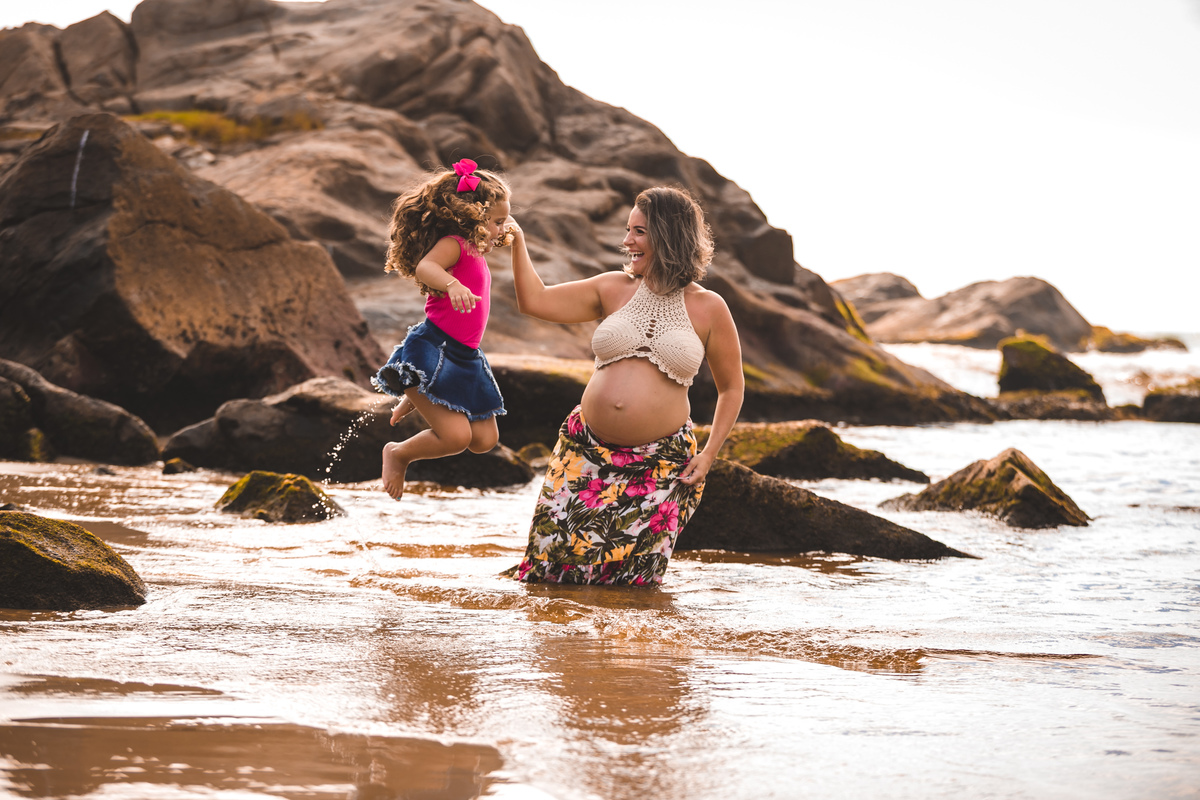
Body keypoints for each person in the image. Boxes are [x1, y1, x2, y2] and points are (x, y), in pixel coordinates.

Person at [503, 186, 744, 585]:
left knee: (633, 588)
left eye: (639, 231)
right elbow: (535, 300)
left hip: (659, 468)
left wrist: (710, 453)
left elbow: (732, 388)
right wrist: (519, 242)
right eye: (628, 230)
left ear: (669, 235)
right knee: (550, 572)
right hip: (583, 456)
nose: (627, 241)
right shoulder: (612, 287)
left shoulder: (710, 307)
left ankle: (633, 652)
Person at [372, 158, 512, 501]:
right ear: (474, 217)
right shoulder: (456, 244)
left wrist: (507, 231)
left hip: (465, 356)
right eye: (496, 221)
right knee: (456, 438)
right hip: (435, 348)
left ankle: (417, 397)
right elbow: (426, 266)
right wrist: (452, 284)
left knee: (484, 441)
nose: (501, 228)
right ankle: (399, 453)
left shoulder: (477, 249)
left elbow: (502, 230)